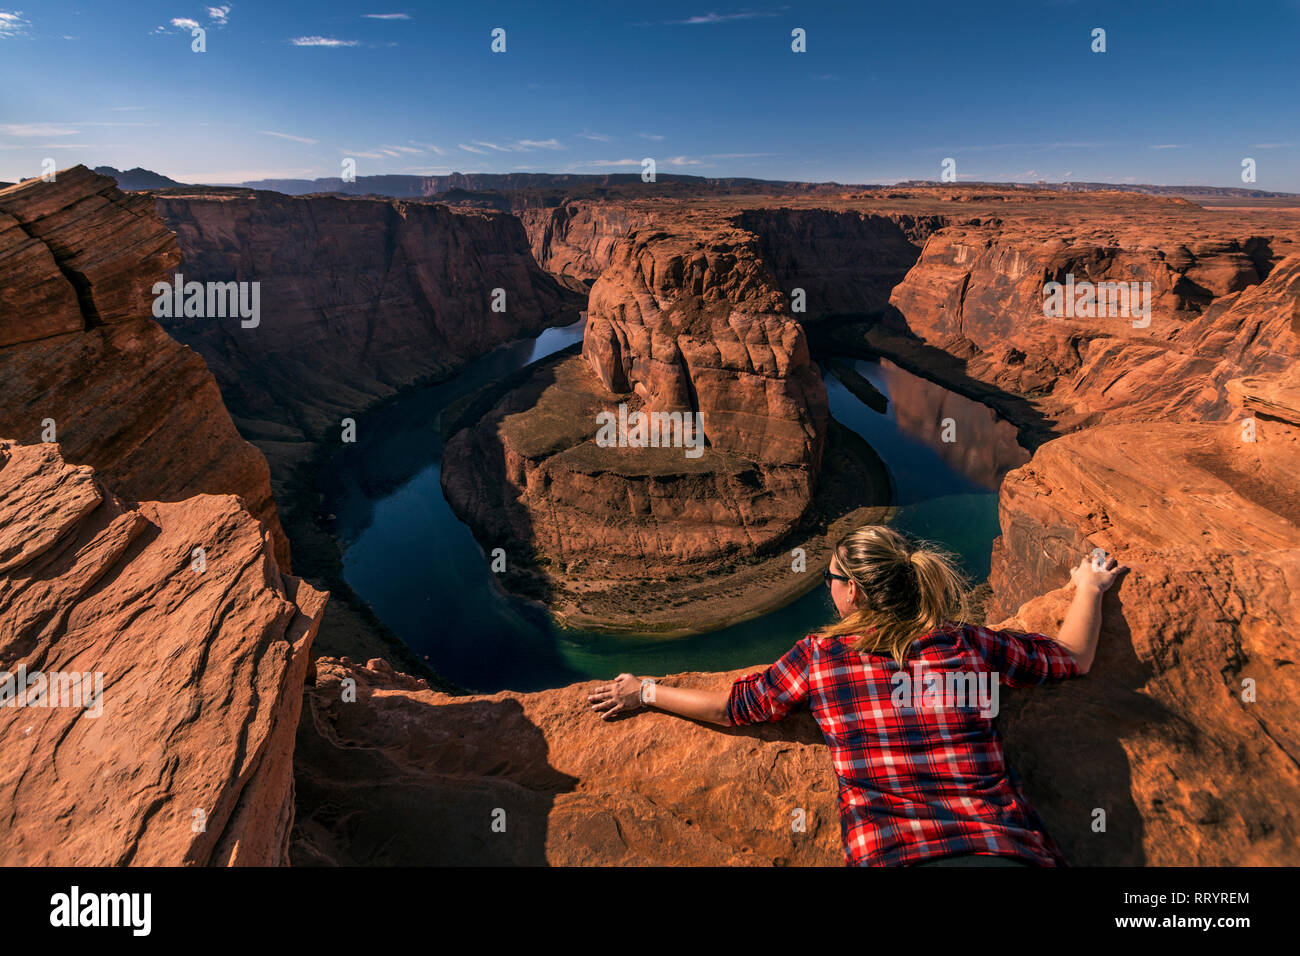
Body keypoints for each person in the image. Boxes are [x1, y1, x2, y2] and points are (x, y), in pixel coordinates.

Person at [585, 524, 1128, 866]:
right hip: (1001, 848)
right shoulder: (963, 644)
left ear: (855, 592)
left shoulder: (820, 659)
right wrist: (1090, 589)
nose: (827, 584)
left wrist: (646, 692)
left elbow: (734, 709)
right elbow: (1073, 658)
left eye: (831, 576)